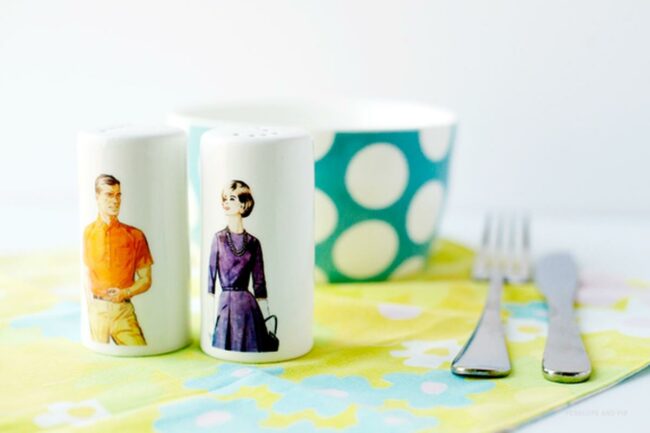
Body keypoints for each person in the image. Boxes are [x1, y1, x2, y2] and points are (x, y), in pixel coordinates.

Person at [83, 174, 153, 345]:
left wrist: (125, 293)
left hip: (123, 310)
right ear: (97, 197)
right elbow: (85, 273)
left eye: (118, 195)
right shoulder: (88, 233)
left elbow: (146, 279)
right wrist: (90, 306)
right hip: (97, 310)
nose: (115, 201)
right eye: (109, 195)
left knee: (138, 347)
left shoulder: (135, 235)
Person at [208, 180, 275, 352]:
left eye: (231, 198)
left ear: (244, 205)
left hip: (248, 309)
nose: (225, 203)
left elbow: (260, 285)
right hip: (225, 306)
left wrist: (268, 323)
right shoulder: (218, 239)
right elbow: (210, 285)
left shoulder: (253, 243)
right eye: (224, 199)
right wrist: (209, 322)